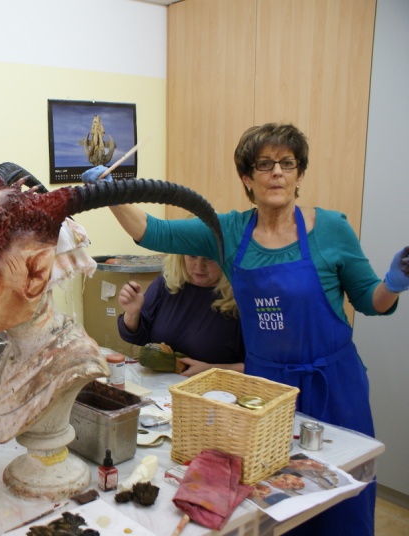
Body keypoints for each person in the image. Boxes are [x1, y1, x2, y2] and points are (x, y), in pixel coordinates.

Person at [83, 122, 409, 536]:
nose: (278, 173)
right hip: (264, 390)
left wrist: (393, 284)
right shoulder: (227, 231)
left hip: (334, 387)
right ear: (246, 178)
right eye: (265, 164)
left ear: (300, 174)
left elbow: (369, 301)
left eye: (288, 163)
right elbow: (153, 231)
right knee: (270, 504)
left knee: (341, 505)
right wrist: (112, 193)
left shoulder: (331, 229)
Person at [118, 253, 244, 376]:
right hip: (161, 384)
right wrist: (132, 313)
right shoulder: (168, 281)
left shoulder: (242, 297)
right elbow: (138, 336)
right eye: (192, 256)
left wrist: (211, 370)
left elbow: (254, 367)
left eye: (210, 258)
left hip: (215, 386)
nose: (199, 266)